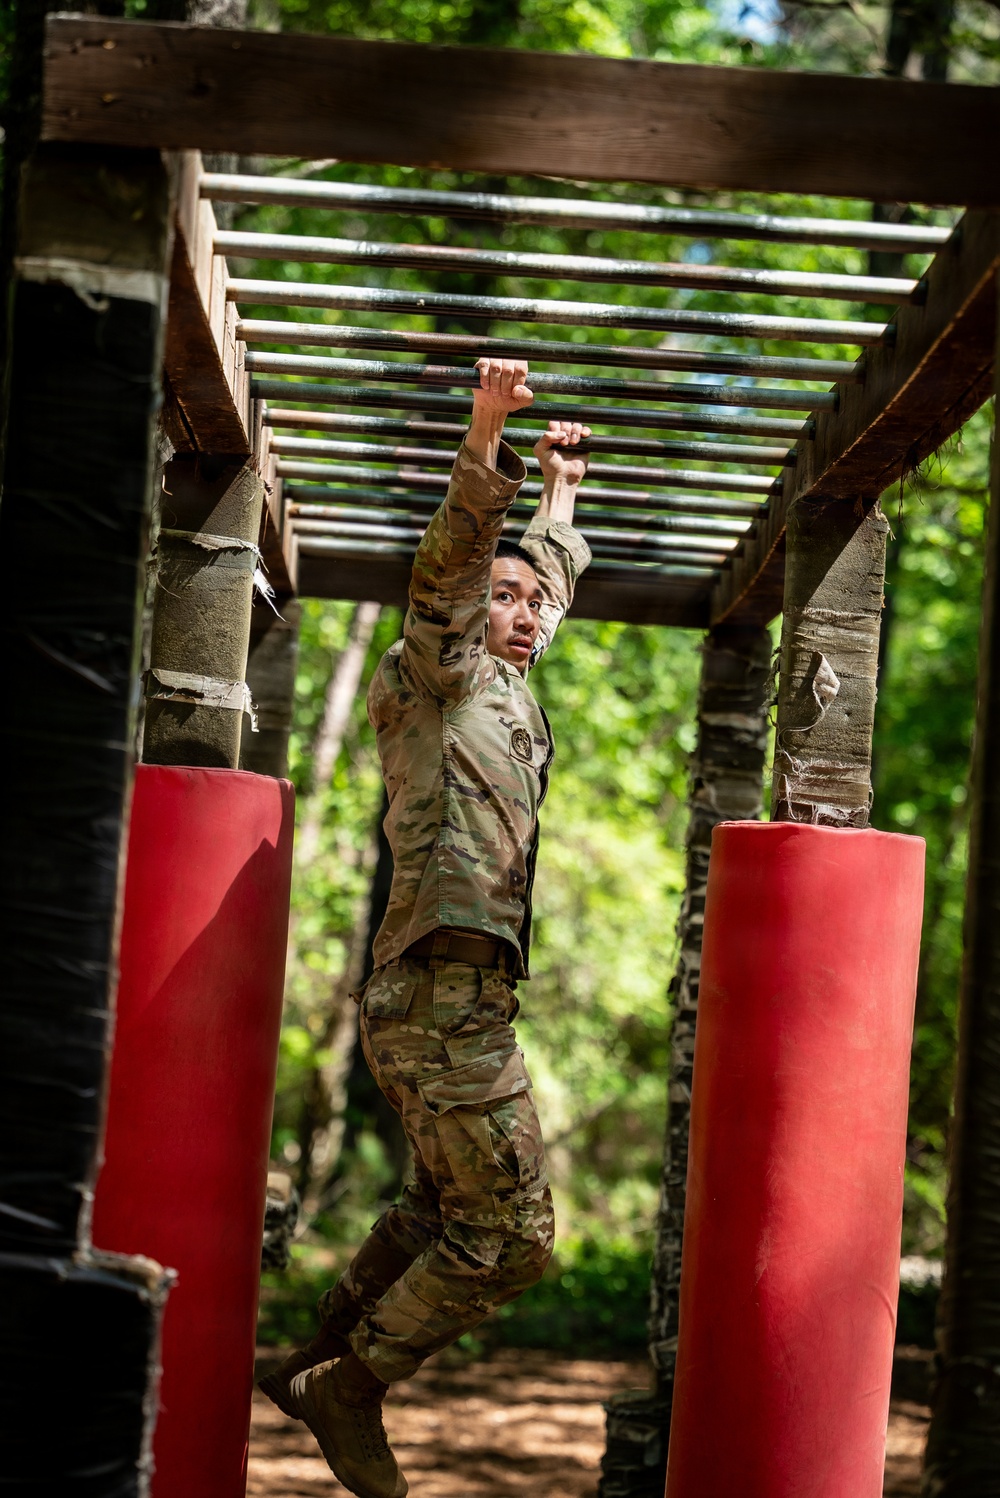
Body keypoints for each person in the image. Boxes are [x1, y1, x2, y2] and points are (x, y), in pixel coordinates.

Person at [260, 358, 592, 1498]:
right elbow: (456, 568)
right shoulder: (437, 673)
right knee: (514, 1235)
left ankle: (310, 1353)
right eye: (501, 600)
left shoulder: (507, 688)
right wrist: (488, 435)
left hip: (446, 1002)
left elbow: (536, 579)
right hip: (439, 997)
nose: (520, 612)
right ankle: (353, 1383)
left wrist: (559, 502)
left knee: (437, 1207)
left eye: (532, 604)